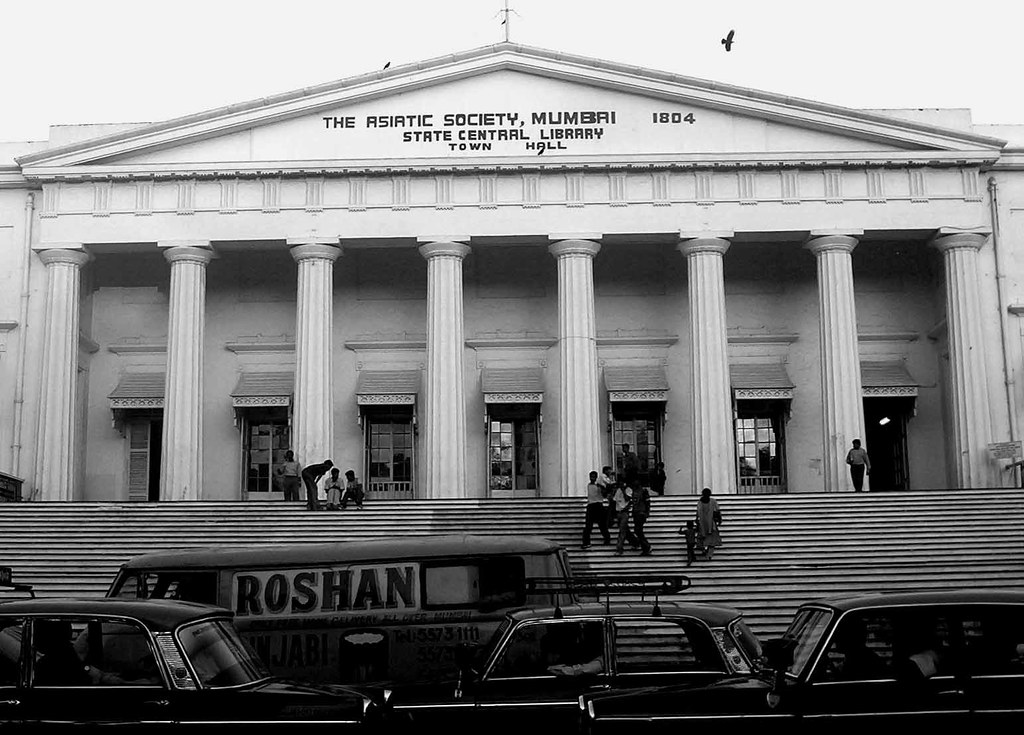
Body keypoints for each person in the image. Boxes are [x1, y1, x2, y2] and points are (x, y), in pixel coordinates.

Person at [582, 470, 611, 549]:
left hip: (598, 505)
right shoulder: (589, 485)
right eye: (591, 477)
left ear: (596, 478)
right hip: (591, 505)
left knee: (602, 525)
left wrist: (601, 487)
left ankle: (607, 538)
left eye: (593, 477)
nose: (592, 478)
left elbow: (604, 494)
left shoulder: (599, 486)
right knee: (588, 526)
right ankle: (586, 542)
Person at [695, 487, 722, 559]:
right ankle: (709, 554)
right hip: (710, 524)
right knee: (712, 540)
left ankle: (705, 551)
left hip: (703, 524)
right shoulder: (713, 501)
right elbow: (717, 511)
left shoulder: (700, 502)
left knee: (702, 539)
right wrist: (719, 519)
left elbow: (697, 513)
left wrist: (697, 520)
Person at [613, 482, 639, 556]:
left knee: (622, 531)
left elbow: (628, 499)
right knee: (626, 530)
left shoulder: (628, 490)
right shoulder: (618, 490)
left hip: (624, 513)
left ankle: (619, 549)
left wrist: (623, 490)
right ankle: (635, 542)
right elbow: (615, 501)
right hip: (618, 512)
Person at [632, 483, 653, 555]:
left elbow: (647, 502)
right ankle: (644, 546)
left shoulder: (643, 491)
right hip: (636, 512)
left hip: (641, 513)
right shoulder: (633, 491)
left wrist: (647, 512)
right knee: (637, 530)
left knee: (638, 530)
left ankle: (646, 546)